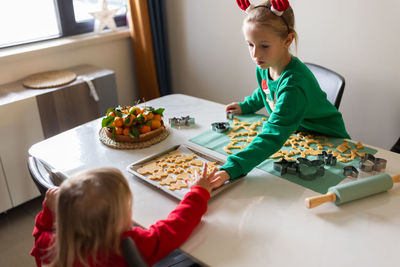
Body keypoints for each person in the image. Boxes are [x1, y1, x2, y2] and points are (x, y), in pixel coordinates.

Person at [213, 0, 350, 185]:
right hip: (298, 134)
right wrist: (247, 105)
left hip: (327, 140)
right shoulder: (264, 66)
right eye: (250, 44)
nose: (255, 54)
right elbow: (266, 90)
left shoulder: (295, 84)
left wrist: (233, 167)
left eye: (264, 46)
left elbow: (274, 134)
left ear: (287, 40)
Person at [31, 165, 219, 267]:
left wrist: (49, 211)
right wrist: (198, 192)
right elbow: (174, 228)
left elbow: (40, 235)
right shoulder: (127, 245)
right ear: (118, 220)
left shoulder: (55, 246)